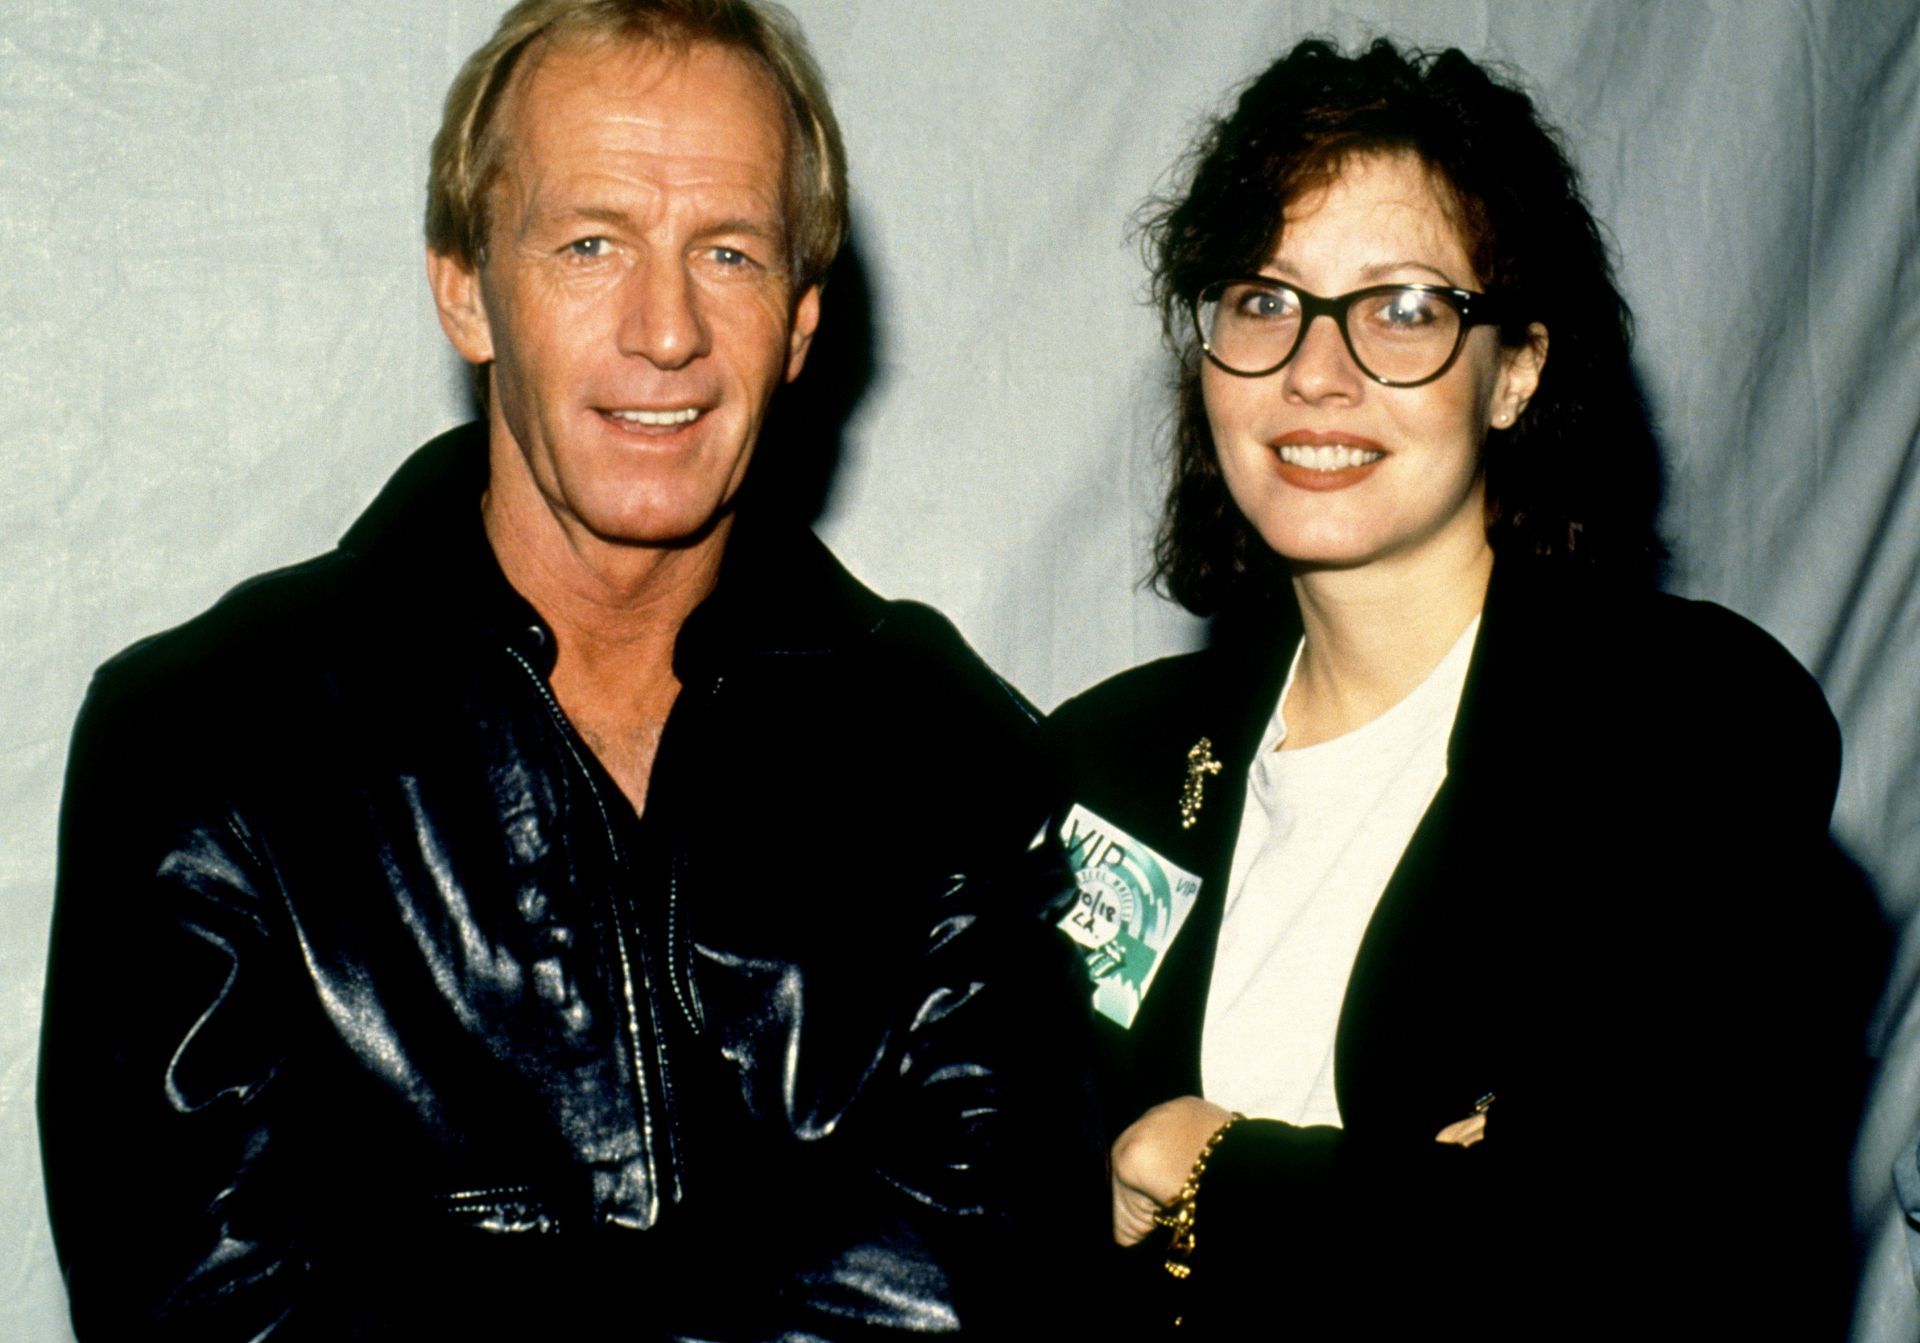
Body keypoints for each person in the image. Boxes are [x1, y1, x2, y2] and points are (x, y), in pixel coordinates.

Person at [36, 1, 1098, 1337]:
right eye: (591, 244)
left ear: (803, 321)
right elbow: (201, 1311)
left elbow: (1004, 1283)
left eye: (729, 252)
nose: (667, 332)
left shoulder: (949, 742)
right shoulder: (202, 739)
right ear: (465, 289)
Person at [1046, 38, 1858, 1338]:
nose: (1319, 370)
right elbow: (1003, 1223)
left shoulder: (1687, 725)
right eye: (1266, 298)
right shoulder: (1104, 766)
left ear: (1519, 368)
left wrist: (1208, 1176)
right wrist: (1422, 1192)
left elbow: (1631, 1253)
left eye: (1405, 309)